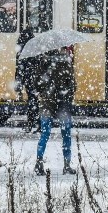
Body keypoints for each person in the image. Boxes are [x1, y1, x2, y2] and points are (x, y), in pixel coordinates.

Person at [34, 46, 76, 176]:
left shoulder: (43, 64)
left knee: (45, 134)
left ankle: (39, 162)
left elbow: (37, 85)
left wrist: (45, 92)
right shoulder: (66, 64)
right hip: (63, 104)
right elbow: (73, 86)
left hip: (47, 103)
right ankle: (67, 165)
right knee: (66, 135)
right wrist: (65, 95)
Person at [16, 26, 40, 133]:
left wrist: (19, 84)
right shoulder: (37, 48)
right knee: (35, 102)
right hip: (36, 79)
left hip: (28, 80)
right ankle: (38, 124)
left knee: (32, 102)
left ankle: (31, 124)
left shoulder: (22, 49)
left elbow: (20, 68)